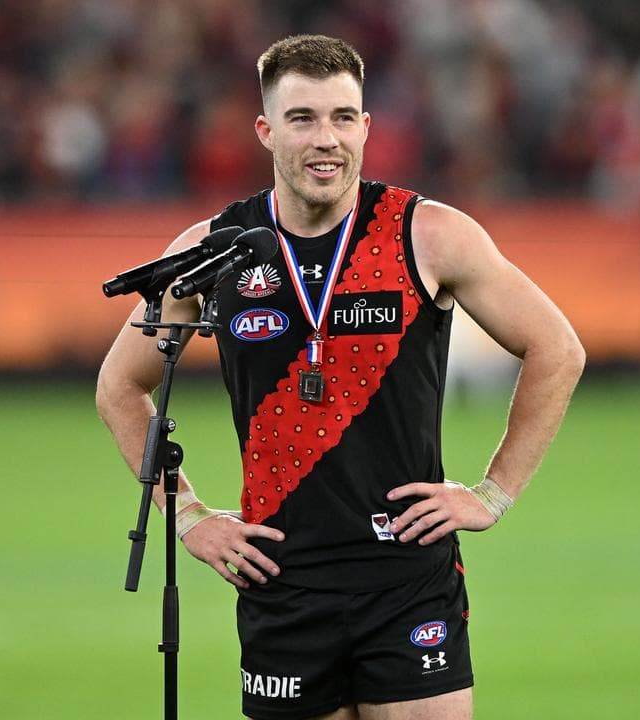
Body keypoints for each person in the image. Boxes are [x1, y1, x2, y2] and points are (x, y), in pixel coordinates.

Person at [96, 34, 584, 720]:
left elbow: (557, 349)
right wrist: (188, 520)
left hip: (408, 577)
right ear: (266, 131)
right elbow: (120, 387)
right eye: (302, 119)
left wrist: (494, 493)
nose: (326, 138)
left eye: (342, 117)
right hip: (282, 580)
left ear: (365, 127)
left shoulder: (429, 234)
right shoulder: (218, 250)